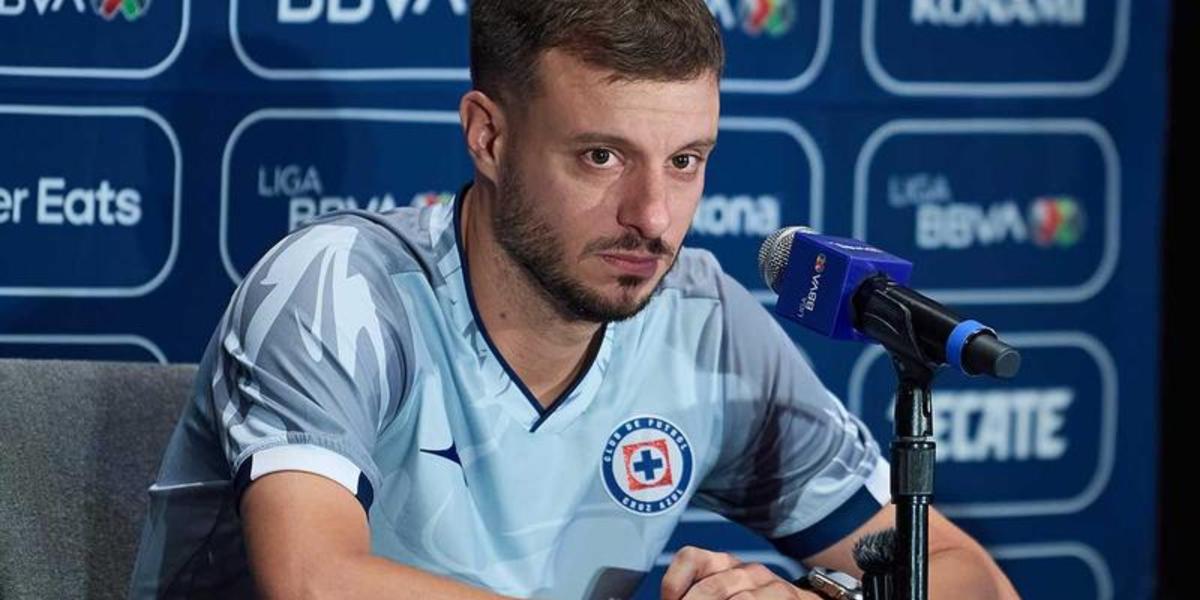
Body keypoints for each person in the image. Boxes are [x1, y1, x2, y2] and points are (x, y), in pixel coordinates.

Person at [129, 1, 1019, 598]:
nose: (654, 218)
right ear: (488, 135)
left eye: (686, 161)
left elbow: (963, 574)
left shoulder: (701, 324)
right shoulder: (341, 286)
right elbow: (317, 580)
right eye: (601, 156)